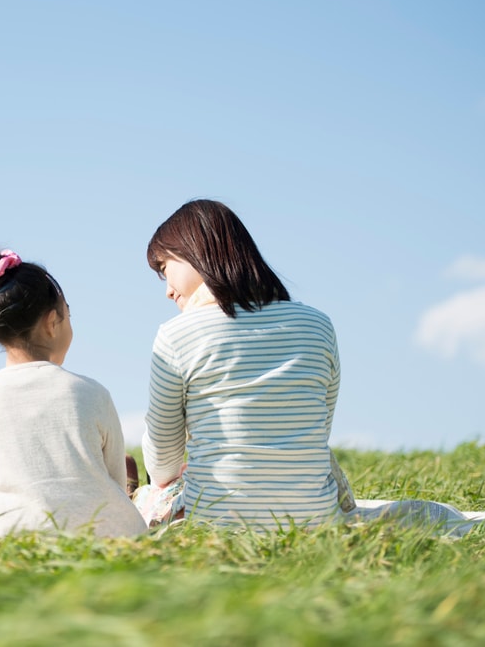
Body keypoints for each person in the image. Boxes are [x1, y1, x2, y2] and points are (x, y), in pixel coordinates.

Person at [134, 199, 351, 531]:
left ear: (195, 252)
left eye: (166, 269)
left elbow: (163, 465)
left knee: (150, 494)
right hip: (315, 520)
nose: (167, 291)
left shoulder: (176, 335)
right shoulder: (318, 325)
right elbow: (317, 429)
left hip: (215, 524)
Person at [0, 249, 148, 540]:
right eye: (68, 315)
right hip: (101, 536)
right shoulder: (93, 393)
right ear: (52, 323)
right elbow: (115, 482)